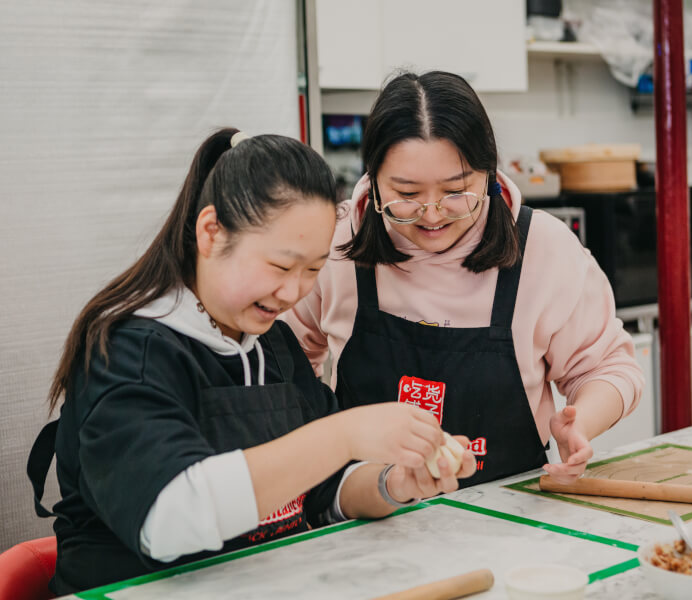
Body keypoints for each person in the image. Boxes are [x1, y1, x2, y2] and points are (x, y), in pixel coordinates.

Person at [27, 129, 476, 595]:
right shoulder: (129, 351)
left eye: (312, 269)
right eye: (280, 267)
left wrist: (393, 483)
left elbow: (322, 493)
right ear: (210, 232)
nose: (294, 292)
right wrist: (344, 435)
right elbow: (169, 516)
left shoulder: (272, 344)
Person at [283, 71, 645, 488]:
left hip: (509, 519)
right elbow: (286, 362)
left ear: (489, 176)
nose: (433, 214)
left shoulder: (543, 248)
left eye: (456, 192)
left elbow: (608, 366)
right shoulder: (336, 240)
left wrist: (580, 422)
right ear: (373, 184)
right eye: (407, 194)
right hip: (364, 522)